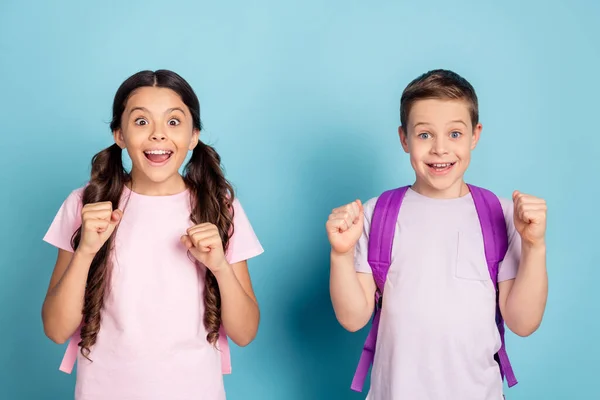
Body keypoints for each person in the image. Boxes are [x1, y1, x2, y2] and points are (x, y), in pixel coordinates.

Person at [42, 69, 264, 400]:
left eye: (173, 122)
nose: (158, 134)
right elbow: (56, 329)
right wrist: (86, 251)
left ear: (193, 137)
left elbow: (245, 333)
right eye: (141, 121)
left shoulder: (219, 206)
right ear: (119, 134)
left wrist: (219, 266)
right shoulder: (85, 205)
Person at [327, 69, 548, 400]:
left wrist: (534, 247)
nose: (440, 149)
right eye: (425, 135)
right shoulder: (377, 214)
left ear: (476, 135)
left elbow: (523, 322)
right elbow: (353, 318)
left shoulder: (503, 215)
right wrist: (341, 255)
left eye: (455, 134)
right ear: (404, 138)